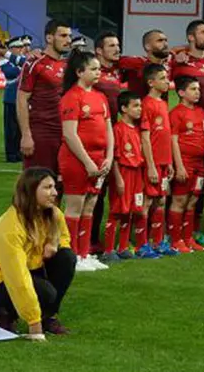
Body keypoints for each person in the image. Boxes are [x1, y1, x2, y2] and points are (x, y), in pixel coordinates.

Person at [0, 168, 76, 338]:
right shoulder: (10, 228)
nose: (55, 193)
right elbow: (17, 276)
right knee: (46, 292)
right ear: (30, 191)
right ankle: (3, 310)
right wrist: (33, 324)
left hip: (30, 267)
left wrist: (54, 243)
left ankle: (48, 316)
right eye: (48, 187)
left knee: (66, 257)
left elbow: (64, 237)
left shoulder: (54, 213)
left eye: (54, 187)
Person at [57, 50, 114, 272]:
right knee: (75, 207)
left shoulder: (100, 97)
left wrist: (108, 157)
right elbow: (70, 135)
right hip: (77, 160)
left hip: (99, 160)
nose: (99, 72)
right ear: (79, 72)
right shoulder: (72, 97)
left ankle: (84, 253)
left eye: (99, 68)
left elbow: (108, 129)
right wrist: (88, 162)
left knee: (90, 206)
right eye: (94, 68)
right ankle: (70, 256)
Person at [169, 20, 204, 246]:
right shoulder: (179, 62)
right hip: (183, 130)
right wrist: (174, 54)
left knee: (201, 184)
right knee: (179, 187)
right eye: (203, 32)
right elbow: (156, 67)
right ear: (191, 37)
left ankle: (193, 231)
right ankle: (171, 233)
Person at [103, 91, 153, 262]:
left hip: (137, 173)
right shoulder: (117, 129)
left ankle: (123, 247)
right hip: (123, 173)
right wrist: (118, 178)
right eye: (136, 106)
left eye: (140, 105)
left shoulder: (138, 129)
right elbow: (115, 157)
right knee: (117, 211)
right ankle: (108, 250)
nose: (140, 109)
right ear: (124, 108)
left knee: (132, 210)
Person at [18, 21, 71, 172]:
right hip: (41, 133)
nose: (68, 40)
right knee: (36, 183)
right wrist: (26, 135)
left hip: (64, 133)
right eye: (63, 36)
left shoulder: (69, 64)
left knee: (59, 185)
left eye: (69, 36)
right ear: (49, 38)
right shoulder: (35, 63)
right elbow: (22, 99)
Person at [169, 76, 204, 253]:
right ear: (181, 92)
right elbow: (173, 140)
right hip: (185, 162)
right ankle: (175, 239)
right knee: (180, 200)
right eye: (193, 89)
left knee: (193, 199)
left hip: (199, 164)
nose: (197, 93)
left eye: (198, 89)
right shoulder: (176, 113)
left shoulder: (201, 112)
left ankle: (188, 238)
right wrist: (179, 166)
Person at [89, 31, 122, 256]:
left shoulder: (118, 71)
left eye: (118, 45)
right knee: (92, 192)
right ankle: (87, 238)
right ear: (99, 50)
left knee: (105, 191)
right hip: (93, 138)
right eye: (111, 46)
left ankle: (96, 237)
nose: (117, 49)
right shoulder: (92, 74)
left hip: (112, 137)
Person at [140, 64, 178, 256]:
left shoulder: (163, 103)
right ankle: (142, 243)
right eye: (163, 78)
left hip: (163, 163)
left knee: (162, 201)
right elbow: (145, 138)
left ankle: (158, 241)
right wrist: (151, 166)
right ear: (151, 82)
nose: (167, 82)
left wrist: (169, 162)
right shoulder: (146, 104)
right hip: (152, 164)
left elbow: (166, 135)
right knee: (147, 202)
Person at [0, 37, 29, 163]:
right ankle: (10, 153)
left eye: (21, 47)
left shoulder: (22, 60)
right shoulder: (4, 61)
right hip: (11, 98)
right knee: (10, 128)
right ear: (11, 49)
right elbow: (10, 72)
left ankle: (19, 152)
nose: (20, 50)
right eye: (17, 48)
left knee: (20, 127)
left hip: (22, 99)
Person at [119, 30, 171, 97]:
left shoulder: (169, 63)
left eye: (166, 40)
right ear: (147, 46)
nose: (165, 44)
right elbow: (116, 61)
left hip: (161, 106)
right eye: (160, 41)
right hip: (140, 106)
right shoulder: (136, 63)